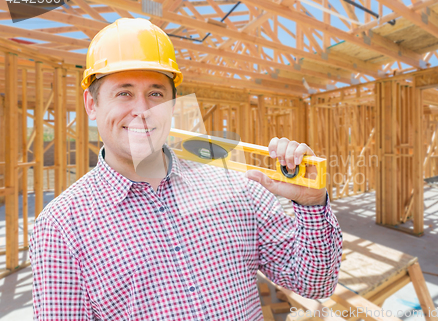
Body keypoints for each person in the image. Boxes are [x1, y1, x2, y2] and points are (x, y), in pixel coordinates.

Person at [29, 18, 343, 320]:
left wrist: (311, 205)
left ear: (173, 105)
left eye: (156, 94)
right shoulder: (62, 227)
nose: (143, 110)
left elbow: (315, 284)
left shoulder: (234, 185)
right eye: (124, 92)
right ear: (91, 104)